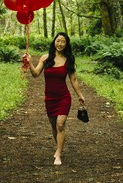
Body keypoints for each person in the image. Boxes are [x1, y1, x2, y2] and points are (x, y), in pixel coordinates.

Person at [25, 32, 86, 166]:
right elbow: (35, 74)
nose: (60, 44)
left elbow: (74, 80)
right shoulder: (45, 58)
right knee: (54, 125)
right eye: (58, 41)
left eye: (63, 42)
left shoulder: (68, 60)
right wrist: (29, 62)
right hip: (50, 98)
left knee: (60, 124)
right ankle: (59, 146)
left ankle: (58, 153)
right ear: (54, 42)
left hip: (63, 97)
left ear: (66, 44)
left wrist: (80, 95)